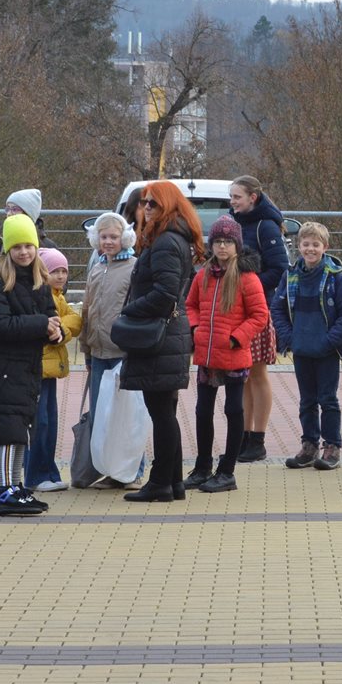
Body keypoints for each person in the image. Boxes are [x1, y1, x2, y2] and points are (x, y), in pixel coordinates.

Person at [118, 179, 202, 503]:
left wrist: (129, 311)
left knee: (161, 413)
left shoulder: (167, 241)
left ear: (168, 206)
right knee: (165, 410)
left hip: (160, 337)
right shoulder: (170, 237)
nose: (146, 208)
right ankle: (173, 482)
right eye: (144, 202)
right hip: (167, 335)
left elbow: (165, 294)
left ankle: (160, 483)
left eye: (153, 203)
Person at [0, 213, 62, 517]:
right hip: (3, 371)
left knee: (21, 433)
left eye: (28, 246)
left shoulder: (40, 283)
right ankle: (3, 491)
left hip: (27, 370)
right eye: (17, 247)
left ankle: (16, 486)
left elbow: (50, 315)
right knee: (8, 433)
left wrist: (56, 332)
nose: (24, 252)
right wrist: (41, 324)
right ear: (8, 250)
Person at [184, 215, 270, 493]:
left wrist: (236, 338)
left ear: (237, 245)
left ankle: (227, 471)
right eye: (218, 241)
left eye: (228, 242)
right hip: (207, 355)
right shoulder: (203, 275)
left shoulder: (247, 277)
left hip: (233, 354)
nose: (222, 247)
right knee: (202, 411)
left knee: (233, 410)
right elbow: (190, 305)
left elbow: (259, 315)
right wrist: (196, 329)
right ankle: (202, 467)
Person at [270, 220, 342, 470]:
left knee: (328, 399)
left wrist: (330, 340)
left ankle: (332, 446)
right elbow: (277, 308)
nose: (310, 249)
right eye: (306, 244)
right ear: (299, 246)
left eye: (315, 245)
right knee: (306, 400)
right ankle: (309, 445)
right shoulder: (291, 275)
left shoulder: (335, 277)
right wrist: (289, 337)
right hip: (301, 348)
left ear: (325, 247)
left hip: (327, 350)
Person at [229, 176, 289, 463]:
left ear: (252, 197)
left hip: (257, 309)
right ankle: (243, 437)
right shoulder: (234, 222)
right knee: (241, 376)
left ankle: (258, 438)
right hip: (234, 310)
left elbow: (279, 268)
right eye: (231, 197)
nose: (232, 202)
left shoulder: (266, 226)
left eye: (237, 197)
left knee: (257, 373)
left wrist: (249, 290)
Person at [76, 211, 138, 487]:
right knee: (101, 415)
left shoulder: (133, 268)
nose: (109, 241)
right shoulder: (97, 268)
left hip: (122, 353)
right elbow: (87, 310)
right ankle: (109, 470)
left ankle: (132, 471)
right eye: (104, 237)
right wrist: (86, 348)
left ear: (124, 238)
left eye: (114, 236)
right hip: (98, 353)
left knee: (126, 416)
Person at [26, 247, 82, 493]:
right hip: (38, 369)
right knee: (40, 424)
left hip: (50, 371)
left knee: (49, 422)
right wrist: (57, 329)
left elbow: (75, 320)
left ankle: (48, 471)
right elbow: (47, 329)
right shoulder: (41, 296)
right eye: (54, 271)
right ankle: (35, 475)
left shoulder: (59, 296)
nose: (60, 276)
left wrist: (61, 329)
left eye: (64, 271)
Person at [0, 188, 57, 295]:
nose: (9, 213)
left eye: (15, 209)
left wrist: (50, 292)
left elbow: (62, 279)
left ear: (29, 213)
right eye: (7, 209)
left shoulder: (48, 247)